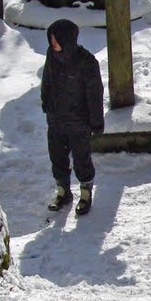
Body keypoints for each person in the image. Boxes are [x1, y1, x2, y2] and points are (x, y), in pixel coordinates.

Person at [41, 19, 104, 216]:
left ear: (67, 40)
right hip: (57, 120)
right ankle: (63, 192)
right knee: (57, 157)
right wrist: (47, 104)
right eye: (51, 38)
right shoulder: (51, 56)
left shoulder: (86, 61)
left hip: (79, 122)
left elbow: (95, 94)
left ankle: (85, 194)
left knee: (81, 159)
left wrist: (96, 122)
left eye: (55, 39)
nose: (52, 43)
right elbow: (47, 81)